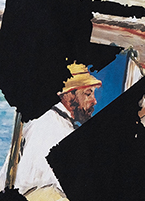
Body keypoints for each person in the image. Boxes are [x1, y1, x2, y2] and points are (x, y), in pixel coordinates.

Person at [9, 63, 101, 194]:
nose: (94, 101)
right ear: (69, 95)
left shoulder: (57, 121)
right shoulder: (52, 127)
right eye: (88, 94)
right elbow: (39, 186)